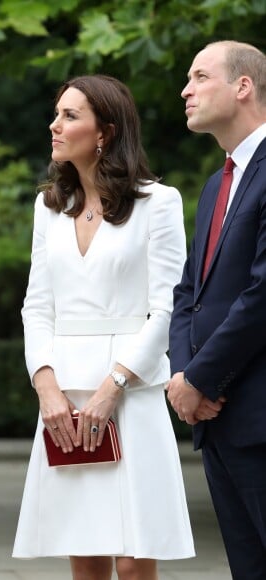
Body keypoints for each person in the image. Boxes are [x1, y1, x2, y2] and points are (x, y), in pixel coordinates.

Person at [12, 74, 195, 579]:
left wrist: (114, 384)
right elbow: (36, 307)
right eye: (57, 113)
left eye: (70, 116)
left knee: (134, 562)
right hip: (65, 400)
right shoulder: (49, 207)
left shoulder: (159, 202)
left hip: (131, 393)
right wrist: (46, 388)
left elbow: (168, 308)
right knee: (85, 555)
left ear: (105, 133)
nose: (55, 125)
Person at [167, 41, 266, 579]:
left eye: (200, 77)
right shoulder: (215, 184)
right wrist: (183, 375)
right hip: (216, 418)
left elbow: (261, 295)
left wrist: (200, 378)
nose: (186, 90)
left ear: (242, 86)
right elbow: (189, 293)